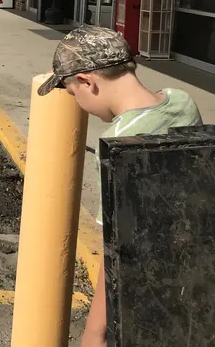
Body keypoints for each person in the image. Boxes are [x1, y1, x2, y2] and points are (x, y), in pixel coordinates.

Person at [37, 25, 202, 347]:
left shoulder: (119, 144)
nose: (79, 103)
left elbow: (116, 249)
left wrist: (95, 332)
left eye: (73, 93)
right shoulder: (182, 100)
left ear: (87, 82)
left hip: (144, 294)